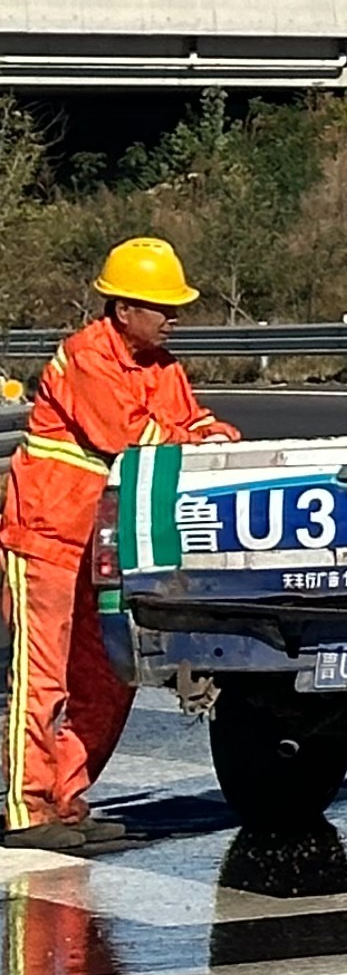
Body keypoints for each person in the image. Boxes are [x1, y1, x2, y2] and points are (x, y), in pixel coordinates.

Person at [8, 238, 229, 852]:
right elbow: (132, 436)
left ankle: (66, 799)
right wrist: (192, 436)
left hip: (101, 545)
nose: (174, 317)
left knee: (106, 676)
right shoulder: (87, 356)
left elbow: (200, 425)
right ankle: (26, 809)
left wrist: (204, 434)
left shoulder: (162, 366)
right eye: (163, 306)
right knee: (42, 676)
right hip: (47, 535)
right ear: (124, 307)